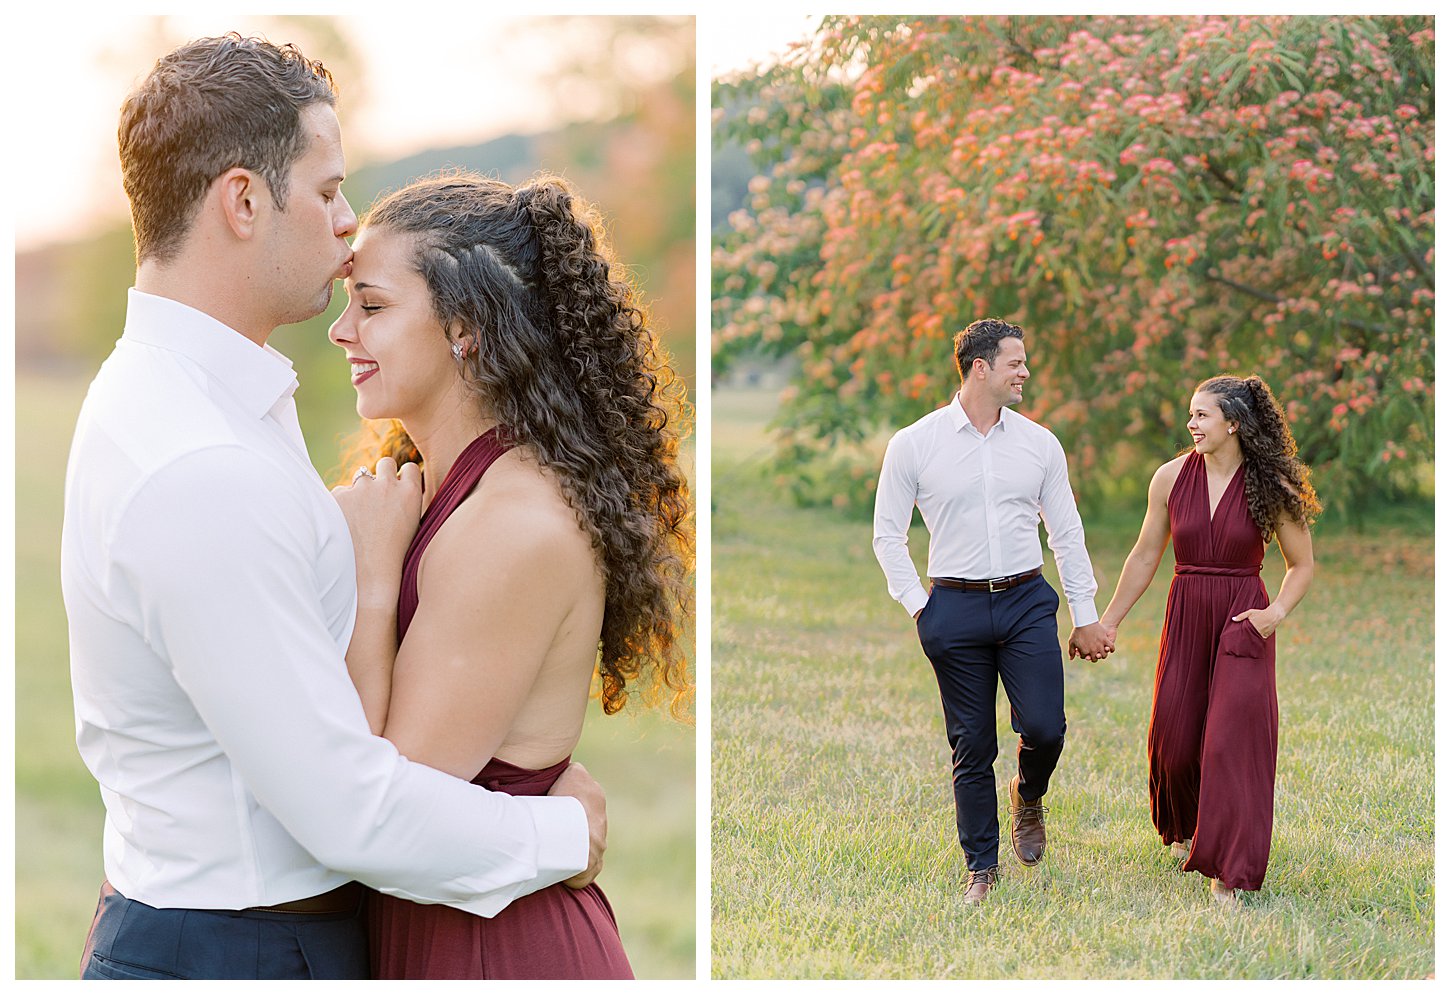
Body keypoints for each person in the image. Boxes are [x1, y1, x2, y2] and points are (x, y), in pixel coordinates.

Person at [61, 34, 605, 981]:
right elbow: (351, 809)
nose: (347, 222)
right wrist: (560, 829)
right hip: (244, 949)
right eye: (325, 192)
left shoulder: (196, 405)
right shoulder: (201, 462)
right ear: (242, 201)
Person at [326, 170, 694, 978]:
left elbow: (388, 797)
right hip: (439, 919)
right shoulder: (436, 483)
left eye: (374, 306)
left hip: (493, 946)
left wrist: (372, 581)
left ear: (466, 327)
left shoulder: (515, 523)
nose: (341, 330)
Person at [872, 317, 1113, 905]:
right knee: (972, 745)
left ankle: (1029, 796)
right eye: (1016, 363)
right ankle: (982, 868)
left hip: (1026, 601)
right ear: (980, 368)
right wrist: (920, 609)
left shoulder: (1040, 444)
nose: (1025, 372)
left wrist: (1085, 612)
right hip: (952, 606)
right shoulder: (914, 443)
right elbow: (887, 536)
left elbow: (1068, 533)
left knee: (1045, 728)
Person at [1099, 375, 1317, 904]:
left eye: (1202, 415)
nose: (1191, 425)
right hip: (1187, 611)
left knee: (1231, 745)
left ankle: (1231, 869)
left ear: (1234, 423)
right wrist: (1108, 623)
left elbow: (1302, 565)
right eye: (1191, 414)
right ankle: (1191, 830)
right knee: (1174, 740)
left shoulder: (1271, 487)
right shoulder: (1170, 478)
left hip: (1244, 619)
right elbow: (1145, 556)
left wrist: (1276, 612)